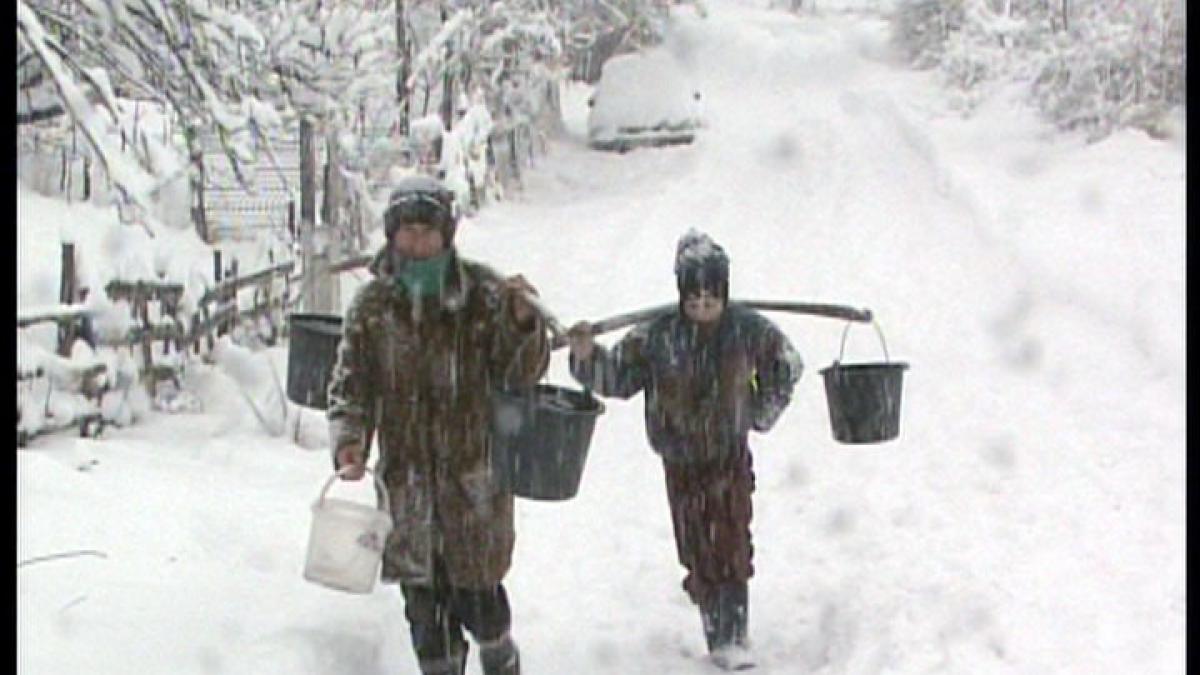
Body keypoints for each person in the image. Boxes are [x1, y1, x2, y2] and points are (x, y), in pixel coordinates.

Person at [326, 175, 549, 675]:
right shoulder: (374, 307)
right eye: (407, 231)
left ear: (447, 234)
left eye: (428, 231)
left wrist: (520, 323)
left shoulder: (484, 296)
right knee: (425, 616)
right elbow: (350, 388)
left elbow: (522, 374)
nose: (418, 242)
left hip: (474, 486)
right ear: (391, 235)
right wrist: (349, 442)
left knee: (480, 601)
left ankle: (500, 656)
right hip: (407, 488)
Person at [566, 229, 802, 671]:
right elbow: (616, 377)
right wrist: (585, 356)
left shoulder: (746, 329)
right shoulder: (657, 336)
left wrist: (759, 411)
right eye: (693, 300)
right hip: (679, 462)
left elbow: (788, 363)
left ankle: (730, 638)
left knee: (730, 542)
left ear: (725, 294)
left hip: (729, 457)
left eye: (711, 299)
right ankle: (711, 609)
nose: (702, 308)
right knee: (696, 546)